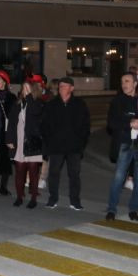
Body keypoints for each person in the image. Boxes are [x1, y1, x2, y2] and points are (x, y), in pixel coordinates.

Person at [41, 77, 90, 210]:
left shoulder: (79, 104)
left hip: (74, 147)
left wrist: (81, 143)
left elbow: (85, 126)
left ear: (71, 88)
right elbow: (45, 125)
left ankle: (75, 201)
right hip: (56, 147)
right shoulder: (52, 104)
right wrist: (49, 142)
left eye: (65, 85)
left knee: (74, 174)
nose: (61, 87)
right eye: (60, 85)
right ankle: (53, 199)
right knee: (54, 173)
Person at [105, 73, 138, 221]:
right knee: (119, 177)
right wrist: (130, 123)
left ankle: (134, 209)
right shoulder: (117, 101)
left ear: (135, 84)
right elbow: (111, 123)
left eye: (127, 81)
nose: (124, 84)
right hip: (124, 143)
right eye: (122, 81)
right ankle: (111, 209)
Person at [5, 79, 44, 209]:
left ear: (33, 90)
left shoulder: (38, 103)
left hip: (32, 143)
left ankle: (33, 198)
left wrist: (29, 98)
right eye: (23, 88)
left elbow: (35, 112)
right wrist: (9, 140)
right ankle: (19, 196)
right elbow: (11, 123)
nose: (25, 91)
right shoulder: (17, 104)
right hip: (19, 141)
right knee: (19, 171)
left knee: (33, 172)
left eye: (28, 88)